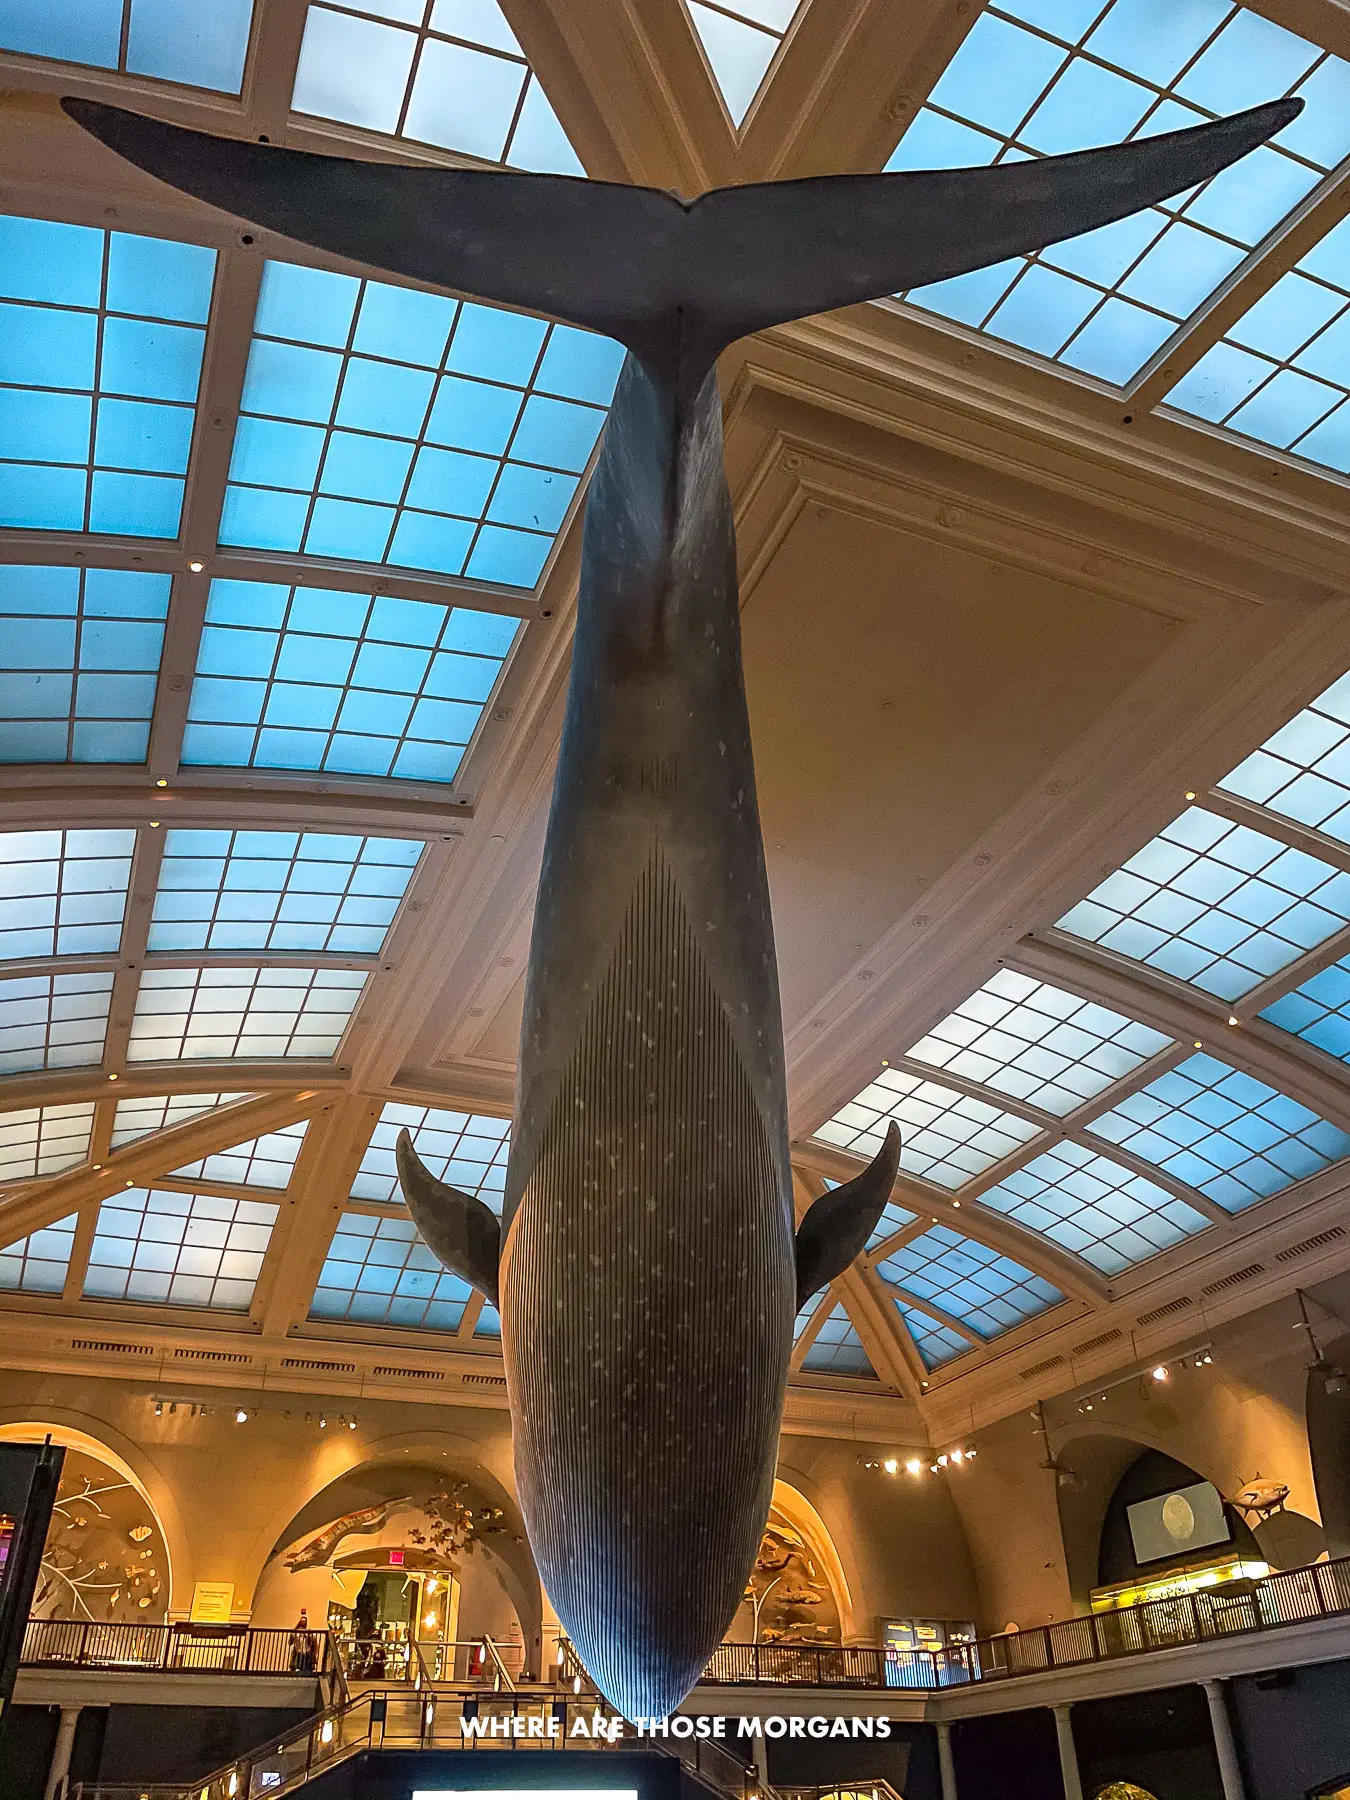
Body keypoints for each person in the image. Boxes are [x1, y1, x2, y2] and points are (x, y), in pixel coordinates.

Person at [289, 1608, 316, 1673]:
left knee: (306, 1668)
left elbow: (313, 1640)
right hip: (298, 1651)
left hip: (306, 1651)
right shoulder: (296, 1631)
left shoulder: (308, 1630)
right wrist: (292, 1636)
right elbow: (290, 1642)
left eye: (304, 1622)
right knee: (297, 1667)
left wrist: (309, 1636)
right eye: (301, 1622)